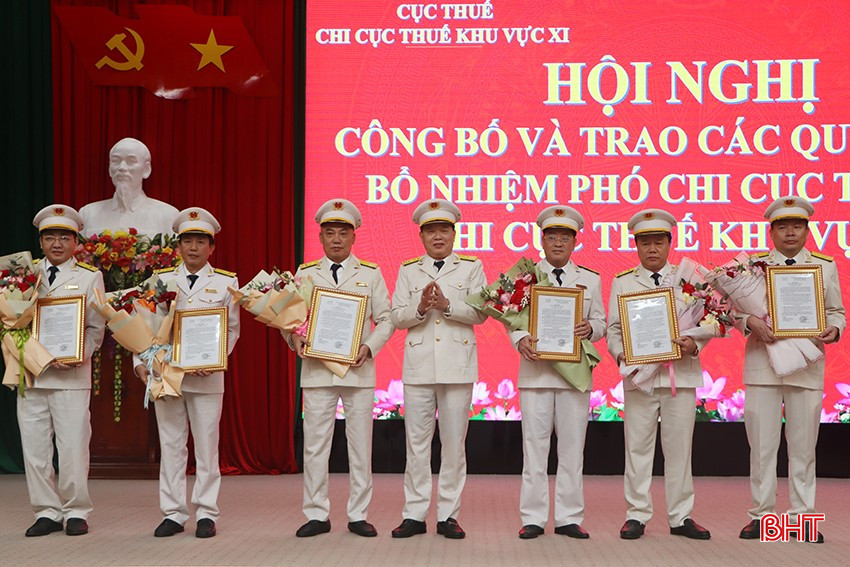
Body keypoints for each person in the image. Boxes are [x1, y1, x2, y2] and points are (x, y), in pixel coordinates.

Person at [737, 197, 845, 544]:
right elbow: (732, 311)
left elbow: (836, 311)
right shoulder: (752, 268)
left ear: (807, 231)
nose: (790, 233)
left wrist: (834, 329)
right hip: (763, 366)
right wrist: (748, 320)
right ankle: (761, 516)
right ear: (771, 232)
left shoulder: (824, 266)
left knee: (803, 448)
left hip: (806, 366)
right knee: (762, 448)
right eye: (782, 227)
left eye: (797, 226)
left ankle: (802, 518)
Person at [286, 199, 394, 538]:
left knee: (360, 446)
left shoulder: (370, 273)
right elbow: (290, 317)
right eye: (330, 233)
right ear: (320, 237)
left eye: (343, 233)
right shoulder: (305, 273)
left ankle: (358, 514)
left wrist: (369, 347)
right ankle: (317, 514)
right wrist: (293, 337)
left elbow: (387, 318)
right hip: (318, 371)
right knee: (315, 445)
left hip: (357, 371)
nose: (336, 239)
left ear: (353, 237)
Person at [134, 207, 240, 538]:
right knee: (171, 445)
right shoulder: (159, 280)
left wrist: (216, 358)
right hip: (167, 375)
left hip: (207, 377)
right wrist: (140, 362)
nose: (193, 248)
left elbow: (232, 330)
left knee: (207, 447)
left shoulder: (225, 282)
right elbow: (142, 326)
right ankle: (173, 513)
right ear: (178, 246)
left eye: (200, 241)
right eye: (187, 241)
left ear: (211, 247)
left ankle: (206, 512)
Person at [606, 209, 712, 541]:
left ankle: (681, 516)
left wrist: (694, 345)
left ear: (669, 243)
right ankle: (636, 515)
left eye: (658, 242)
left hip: (680, 375)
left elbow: (706, 323)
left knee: (680, 449)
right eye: (645, 243)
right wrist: (622, 354)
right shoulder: (623, 281)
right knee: (637, 448)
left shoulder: (689, 280)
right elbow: (613, 330)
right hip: (640, 377)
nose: (652, 249)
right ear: (636, 245)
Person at [389, 199, 487, 539]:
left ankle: (448, 515)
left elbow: (481, 312)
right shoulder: (408, 269)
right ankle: (414, 514)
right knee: (416, 445)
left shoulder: (471, 267)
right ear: (421, 236)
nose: (438, 236)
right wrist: (418, 309)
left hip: (457, 366)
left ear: (454, 234)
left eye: (444, 229)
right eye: (431, 231)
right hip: (418, 368)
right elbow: (396, 316)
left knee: (453, 445)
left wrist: (447, 306)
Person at [512, 205, 606, 540]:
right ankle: (533, 517)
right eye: (551, 236)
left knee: (572, 450)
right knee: (534, 450)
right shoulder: (525, 277)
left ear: (574, 242)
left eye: (565, 237)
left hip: (574, 376)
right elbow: (511, 317)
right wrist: (519, 338)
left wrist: (590, 329)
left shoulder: (590, 279)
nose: (558, 242)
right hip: (535, 372)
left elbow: (601, 322)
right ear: (542, 240)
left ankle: (568, 517)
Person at [20, 205, 105, 537]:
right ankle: (46, 511)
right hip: (32, 374)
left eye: (64, 237)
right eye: (50, 237)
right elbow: (11, 322)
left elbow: (96, 327)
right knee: (35, 449)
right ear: (41, 241)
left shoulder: (89, 277)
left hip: (71, 375)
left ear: (75, 242)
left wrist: (81, 354)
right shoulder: (23, 274)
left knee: (72, 447)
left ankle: (76, 511)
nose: (57, 243)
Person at [79, 137, 178, 237]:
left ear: (146, 169)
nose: (122, 167)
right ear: (109, 169)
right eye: (116, 161)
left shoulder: (168, 216)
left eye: (131, 161)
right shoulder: (88, 214)